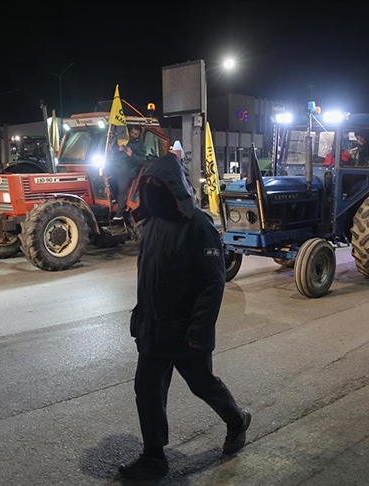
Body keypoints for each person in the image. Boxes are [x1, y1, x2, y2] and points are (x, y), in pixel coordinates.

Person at [118, 153, 251, 481]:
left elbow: (212, 282)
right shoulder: (150, 225)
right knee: (146, 388)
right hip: (154, 329)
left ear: (172, 187)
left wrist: (199, 330)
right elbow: (147, 276)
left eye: (156, 184)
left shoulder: (199, 226)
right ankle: (154, 457)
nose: (151, 191)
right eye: (147, 185)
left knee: (202, 385)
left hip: (186, 331)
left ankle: (237, 421)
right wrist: (140, 315)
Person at [111, 125, 146, 220]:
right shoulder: (122, 140)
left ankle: (120, 212)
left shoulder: (140, 146)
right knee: (109, 183)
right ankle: (113, 201)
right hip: (116, 168)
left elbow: (141, 160)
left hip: (128, 172)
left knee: (122, 191)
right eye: (132, 133)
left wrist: (131, 154)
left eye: (136, 134)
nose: (133, 135)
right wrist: (119, 149)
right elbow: (111, 149)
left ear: (139, 135)